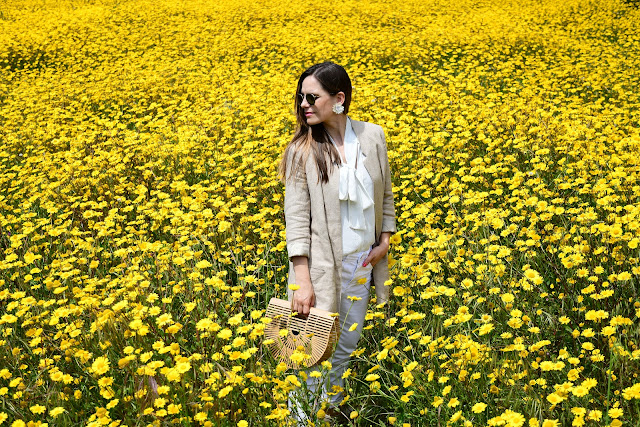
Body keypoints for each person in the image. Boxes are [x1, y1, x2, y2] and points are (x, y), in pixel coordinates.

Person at [279, 61, 396, 422]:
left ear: (339, 98)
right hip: (319, 269)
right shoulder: (302, 150)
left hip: (363, 262)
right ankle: (302, 419)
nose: (304, 105)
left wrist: (384, 243)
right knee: (311, 351)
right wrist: (303, 282)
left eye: (312, 97)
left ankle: (328, 411)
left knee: (345, 347)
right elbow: (296, 223)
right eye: (301, 98)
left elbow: (386, 196)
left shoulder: (372, 136)